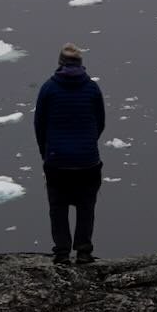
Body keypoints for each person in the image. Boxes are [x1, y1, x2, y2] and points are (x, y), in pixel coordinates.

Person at [33, 43, 105, 264]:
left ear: (60, 63)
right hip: (87, 161)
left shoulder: (48, 88)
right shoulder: (92, 89)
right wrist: (87, 145)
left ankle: (62, 253)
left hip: (57, 160)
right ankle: (84, 251)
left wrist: (46, 153)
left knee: (58, 207)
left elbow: (39, 125)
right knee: (86, 206)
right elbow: (100, 122)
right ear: (81, 64)